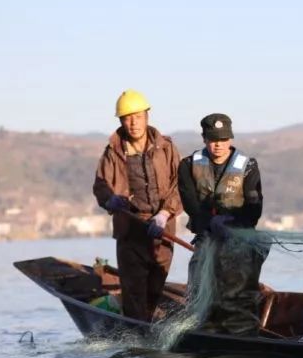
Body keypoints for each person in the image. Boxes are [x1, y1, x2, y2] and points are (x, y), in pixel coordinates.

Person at [93, 89, 182, 322]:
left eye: (138, 117)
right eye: (127, 118)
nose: (133, 123)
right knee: (134, 294)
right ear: (121, 121)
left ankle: (151, 329)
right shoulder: (112, 152)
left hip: (162, 231)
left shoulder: (167, 148)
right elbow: (100, 186)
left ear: (147, 116)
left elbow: (179, 185)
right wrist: (109, 200)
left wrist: (164, 214)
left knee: (155, 288)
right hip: (130, 231)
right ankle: (137, 345)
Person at [177, 112, 267, 335]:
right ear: (204, 139)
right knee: (200, 287)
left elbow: (254, 207)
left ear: (231, 139)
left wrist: (232, 223)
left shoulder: (248, 166)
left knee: (239, 292)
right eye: (213, 139)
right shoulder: (187, 165)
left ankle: (243, 332)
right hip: (206, 238)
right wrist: (210, 222)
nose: (218, 145)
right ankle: (204, 330)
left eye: (223, 140)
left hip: (238, 239)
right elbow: (190, 203)